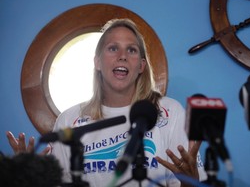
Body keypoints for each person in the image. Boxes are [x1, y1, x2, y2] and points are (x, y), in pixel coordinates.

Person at [7, 18, 206, 186]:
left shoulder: (170, 111)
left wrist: (191, 182)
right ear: (97, 62)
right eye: (113, 48)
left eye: (131, 50)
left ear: (141, 66)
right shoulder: (69, 120)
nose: (122, 57)